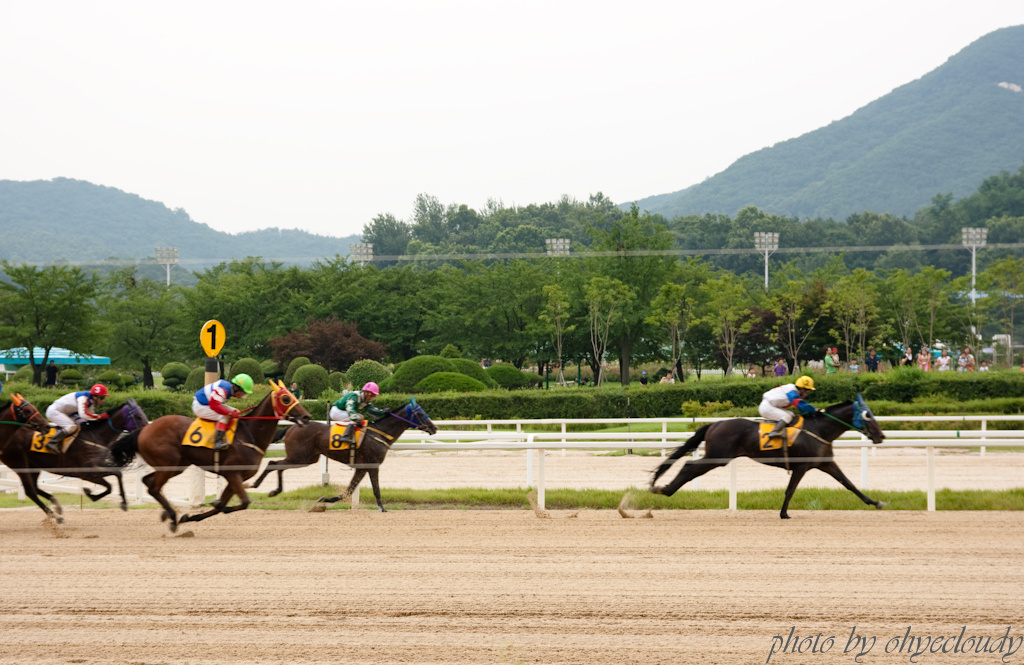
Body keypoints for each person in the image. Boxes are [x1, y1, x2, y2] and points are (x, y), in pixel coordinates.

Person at [192, 373, 254, 450]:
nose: (242, 396)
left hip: (207, 403)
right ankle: (217, 442)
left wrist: (232, 412)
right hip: (200, 406)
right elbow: (214, 405)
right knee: (224, 416)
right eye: (242, 393)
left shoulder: (227, 388)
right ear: (236, 388)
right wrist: (230, 413)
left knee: (236, 411)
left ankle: (227, 433)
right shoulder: (223, 390)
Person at [44, 383, 109, 452]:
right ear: (95, 396)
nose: (103, 400)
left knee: (83, 423)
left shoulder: (91, 401)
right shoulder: (83, 398)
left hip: (67, 414)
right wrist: (101, 416)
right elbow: (84, 415)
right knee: (71, 426)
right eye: (102, 398)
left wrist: (102, 418)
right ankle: (52, 443)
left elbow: (90, 415)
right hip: (54, 412)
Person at [759, 375, 817, 444]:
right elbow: (801, 405)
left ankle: (785, 431)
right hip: (767, 407)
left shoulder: (792, 390)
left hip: (771, 405)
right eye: (807, 391)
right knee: (786, 417)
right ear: (802, 389)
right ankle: (774, 432)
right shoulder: (792, 392)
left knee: (791, 415)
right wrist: (814, 410)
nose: (807, 394)